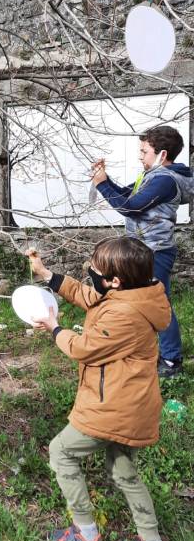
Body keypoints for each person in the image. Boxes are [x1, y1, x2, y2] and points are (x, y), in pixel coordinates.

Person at [27, 237, 172, 541]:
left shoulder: (125, 314)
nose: (89, 273)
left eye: (95, 269)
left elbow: (83, 348)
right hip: (131, 404)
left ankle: (86, 537)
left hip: (112, 407)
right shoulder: (133, 294)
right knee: (124, 472)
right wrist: (47, 275)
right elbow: (88, 296)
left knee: (62, 452)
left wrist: (54, 327)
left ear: (115, 280)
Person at [92, 125, 193, 377]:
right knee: (135, 302)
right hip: (142, 252)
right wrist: (104, 179)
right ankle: (140, 347)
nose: (140, 155)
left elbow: (132, 207)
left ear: (162, 154)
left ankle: (171, 361)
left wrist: (103, 186)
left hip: (155, 253)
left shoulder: (165, 181)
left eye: (144, 151)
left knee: (160, 304)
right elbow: (127, 194)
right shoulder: (152, 175)